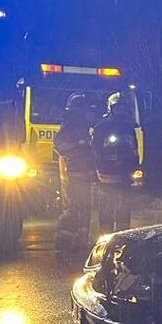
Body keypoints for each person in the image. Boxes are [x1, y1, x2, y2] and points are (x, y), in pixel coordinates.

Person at [53, 93, 99, 254]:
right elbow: (59, 146)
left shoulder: (86, 126)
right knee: (73, 206)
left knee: (86, 207)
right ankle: (65, 239)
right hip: (73, 172)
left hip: (85, 172)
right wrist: (78, 144)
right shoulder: (69, 125)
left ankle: (82, 238)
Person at [91, 91, 141, 233]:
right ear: (111, 107)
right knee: (107, 205)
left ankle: (122, 234)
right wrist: (99, 167)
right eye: (118, 107)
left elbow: (134, 149)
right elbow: (95, 149)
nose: (121, 110)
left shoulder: (128, 127)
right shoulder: (101, 126)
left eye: (123, 107)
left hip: (125, 173)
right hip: (107, 172)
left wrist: (135, 167)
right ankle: (106, 236)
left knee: (124, 206)